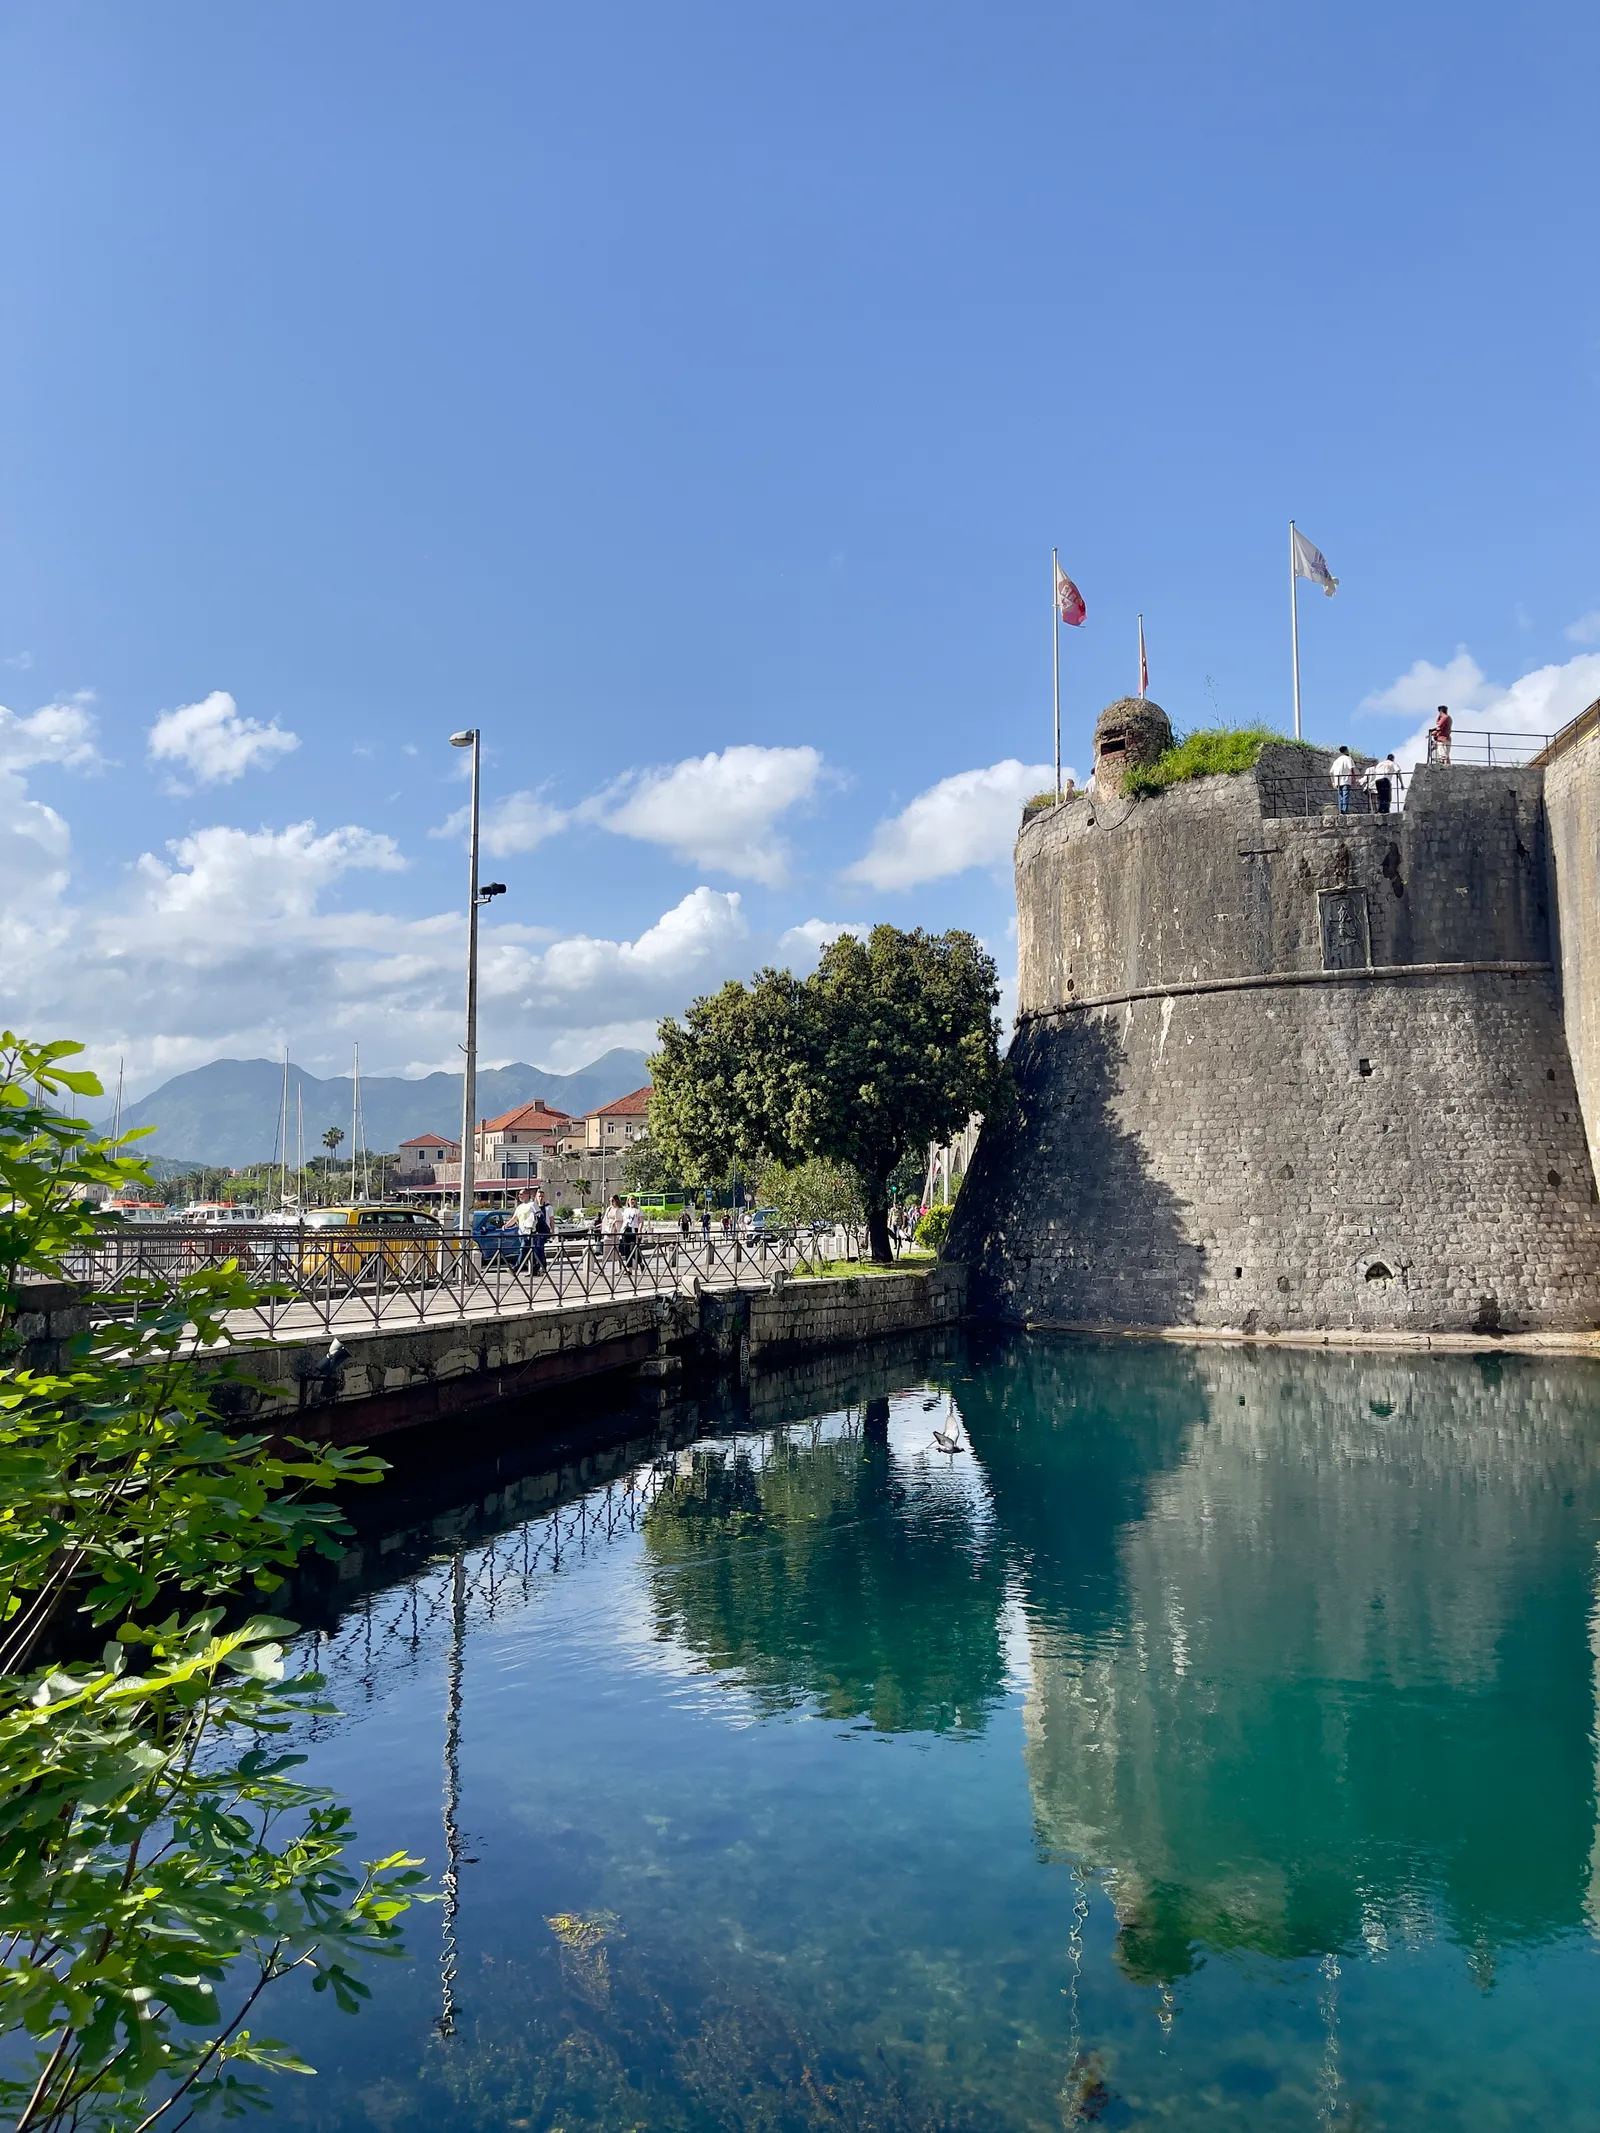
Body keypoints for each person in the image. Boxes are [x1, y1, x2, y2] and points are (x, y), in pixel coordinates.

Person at [1329, 744, 1356, 815]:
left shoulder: (1336, 761)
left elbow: (1331, 772)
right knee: (1345, 795)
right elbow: (1351, 769)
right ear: (1346, 751)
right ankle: (1344, 810)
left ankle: (1341, 810)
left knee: (1340, 796)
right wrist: (1354, 778)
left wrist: (1333, 782)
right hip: (1346, 780)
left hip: (1337, 780)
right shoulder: (1348, 759)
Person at [602, 1193, 624, 1259]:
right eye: (610, 1201)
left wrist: (617, 1220)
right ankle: (604, 1264)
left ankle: (619, 1264)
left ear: (616, 1201)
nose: (611, 1202)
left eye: (612, 1201)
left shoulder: (620, 1210)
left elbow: (623, 1219)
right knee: (606, 1248)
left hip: (616, 1230)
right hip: (608, 1229)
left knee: (616, 1249)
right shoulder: (609, 1209)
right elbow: (605, 1219)